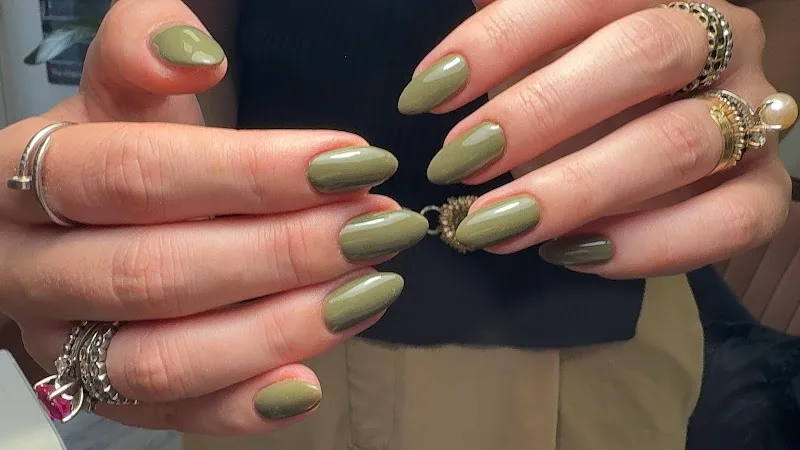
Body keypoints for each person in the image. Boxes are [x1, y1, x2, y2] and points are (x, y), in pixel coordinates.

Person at [0, 0, 797, 449]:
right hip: (278, 350)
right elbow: (201, 49)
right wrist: (136, 178)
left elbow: (771, 42)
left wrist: (718, 72)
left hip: (601, 345)